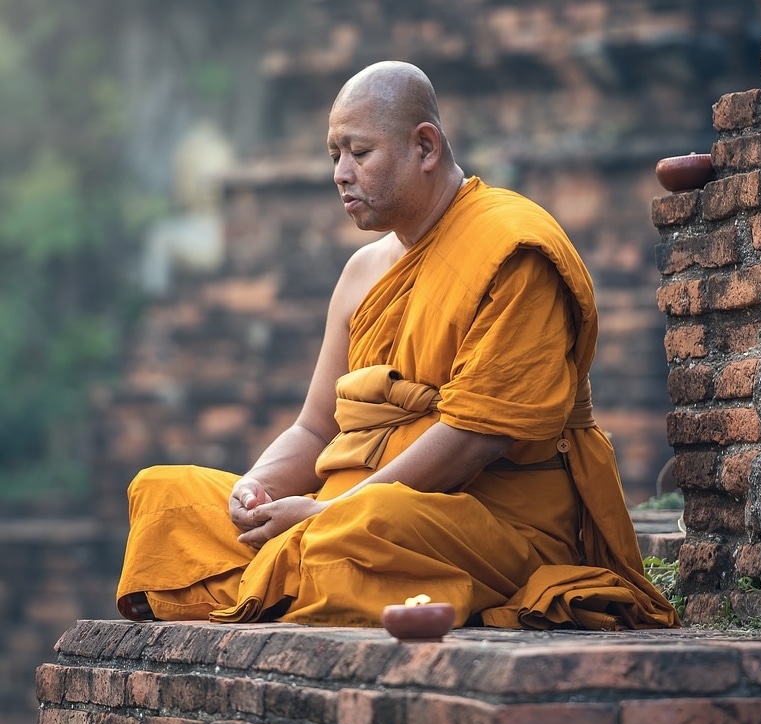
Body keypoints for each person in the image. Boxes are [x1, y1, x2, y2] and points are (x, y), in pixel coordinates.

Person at [117, 60, 680, 631]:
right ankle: (286, 570)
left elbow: (475, 438)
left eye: (359, 153)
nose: (340, 173)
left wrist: (332, 511)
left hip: (478, 522)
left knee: (361, 533)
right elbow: (315, 429)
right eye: (333, 155)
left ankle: (276, 575)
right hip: (345, 511)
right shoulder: (362, 272)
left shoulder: (512, 250)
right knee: (165, 495)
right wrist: (255, 488)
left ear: (426, 147)